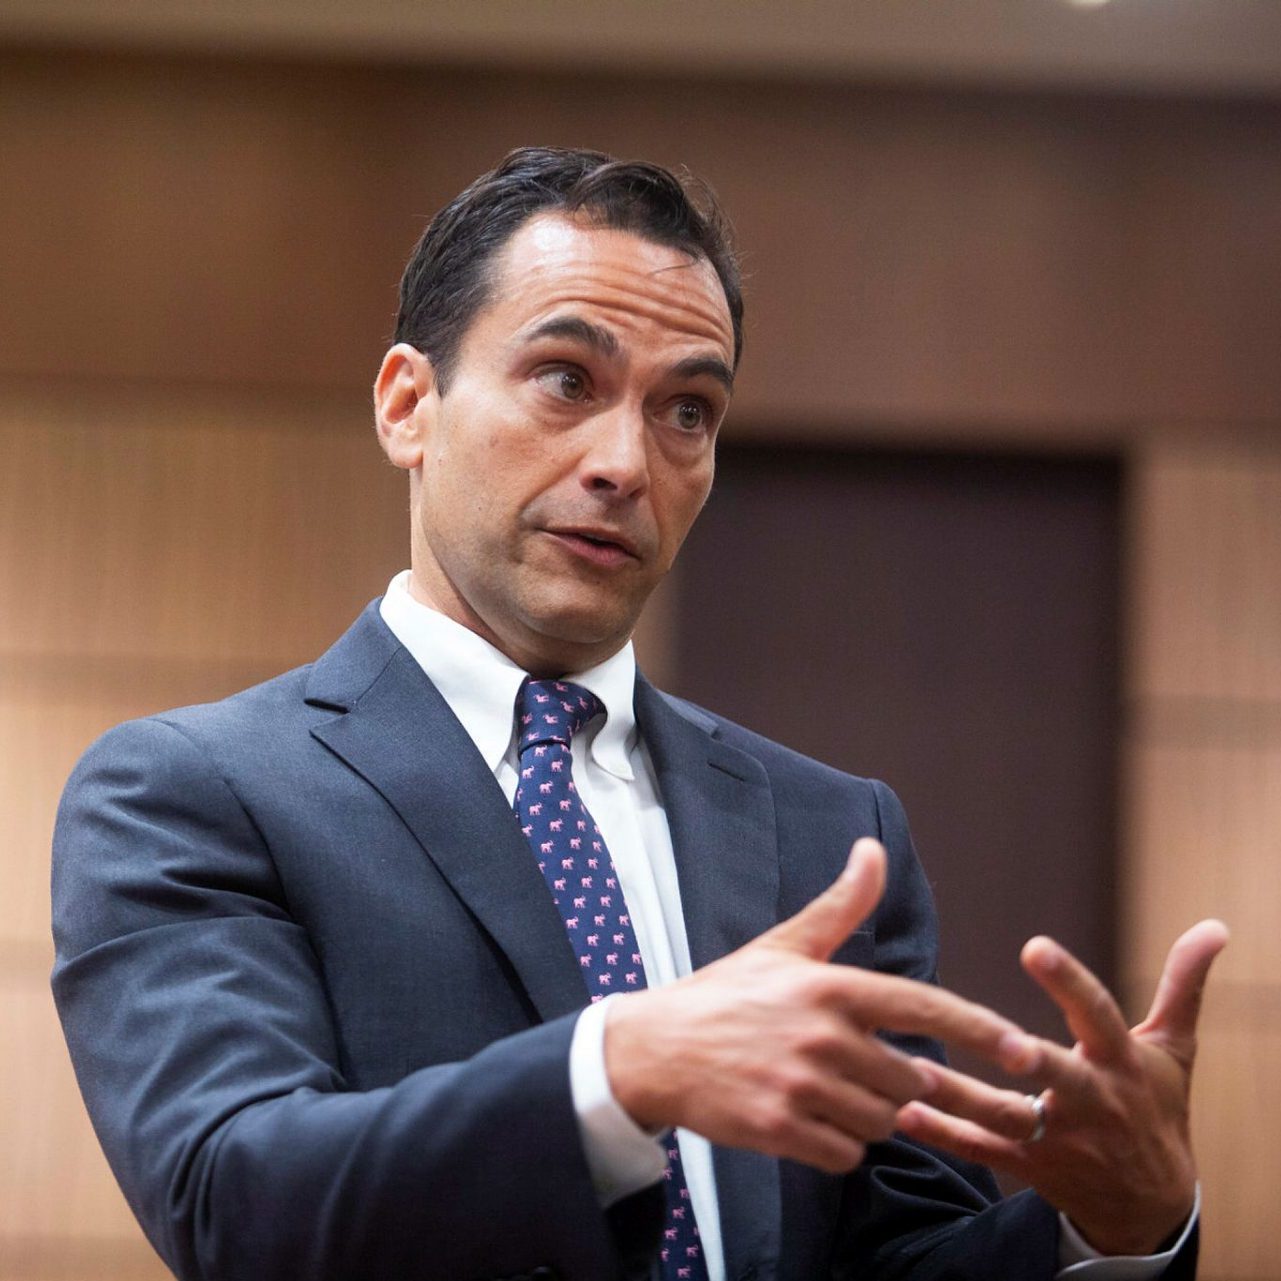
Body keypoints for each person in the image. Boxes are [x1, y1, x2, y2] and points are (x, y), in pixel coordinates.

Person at [52, 146, 1225, 1281]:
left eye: (688, 410)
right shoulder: (196, 791)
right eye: (567, 380)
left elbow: (896, 1256)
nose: (626, 461)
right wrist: (618, 1069)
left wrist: (1114, 1227)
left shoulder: (831, 833)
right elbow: (233, 1199)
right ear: (409, 405)